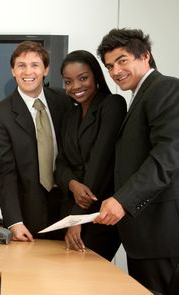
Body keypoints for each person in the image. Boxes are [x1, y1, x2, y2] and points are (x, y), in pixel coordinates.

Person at [94, 28, 179, 295]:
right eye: (109, 66)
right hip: (143, 235)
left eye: (122, 60)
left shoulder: (164, 88)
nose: (115, 71)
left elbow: (168, 153)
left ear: (145, 56)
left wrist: (123, 200)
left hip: (161, 232)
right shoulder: (140, 95)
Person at [0, 41, 69, 242]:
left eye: (35, 65)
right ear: (13, 71)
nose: (27, 71)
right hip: (28, 214)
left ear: (46, 69)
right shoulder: (0, 114)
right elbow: (5, 172)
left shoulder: (65, 101)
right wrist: (14, 222)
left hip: (68, 206)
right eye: (21, 65)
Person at [54, 50, 126, 261]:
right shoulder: (70, 114)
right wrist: (71, 183)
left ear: (96, 76)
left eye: (83, 78)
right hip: (69, 212)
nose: (75, 86)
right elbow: (60, 162)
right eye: (68, 81)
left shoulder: (112, 104)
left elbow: (100, 163)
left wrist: (77, 219)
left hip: (98, 214)